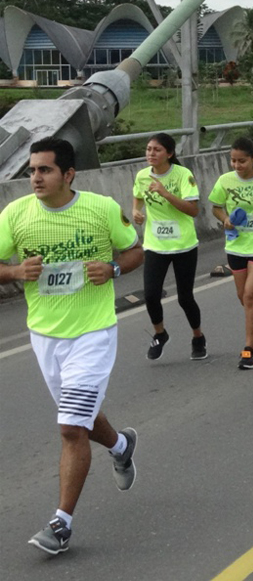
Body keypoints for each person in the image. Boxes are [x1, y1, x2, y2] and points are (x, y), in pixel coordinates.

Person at [0, 137, 143, 555]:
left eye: (44, 170)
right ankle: (121, 445)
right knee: (78, 416)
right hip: (45, 335)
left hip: (93, 333)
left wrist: (114, 267)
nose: (36, 178)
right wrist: (13, 272)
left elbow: (136, 250)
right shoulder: (16, 214)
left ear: (68, 174)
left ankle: (60, 524)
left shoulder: (99, 210)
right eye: (31, 170)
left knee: (69, 427)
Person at [209, 137, 253, 369]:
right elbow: (216, 207)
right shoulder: (225, 181)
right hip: (236, 245)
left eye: (242, 161)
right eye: (233, 161)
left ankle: (250, 351)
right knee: (243, 297)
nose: (237, 165)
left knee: (250, 294)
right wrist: (225, 219)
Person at [132, 133, 206, 360]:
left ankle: (198, 337)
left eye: (157, 150)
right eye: (148, 149)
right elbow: (137, 196)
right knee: (151, 295)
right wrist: (136, 210)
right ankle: (160, 333)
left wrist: (166, 192)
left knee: (185, 298)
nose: (151, 154)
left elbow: (193, 210)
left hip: (183, 245)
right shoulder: (142, 176)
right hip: (155, 245)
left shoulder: (184, 175)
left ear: (169, 154)